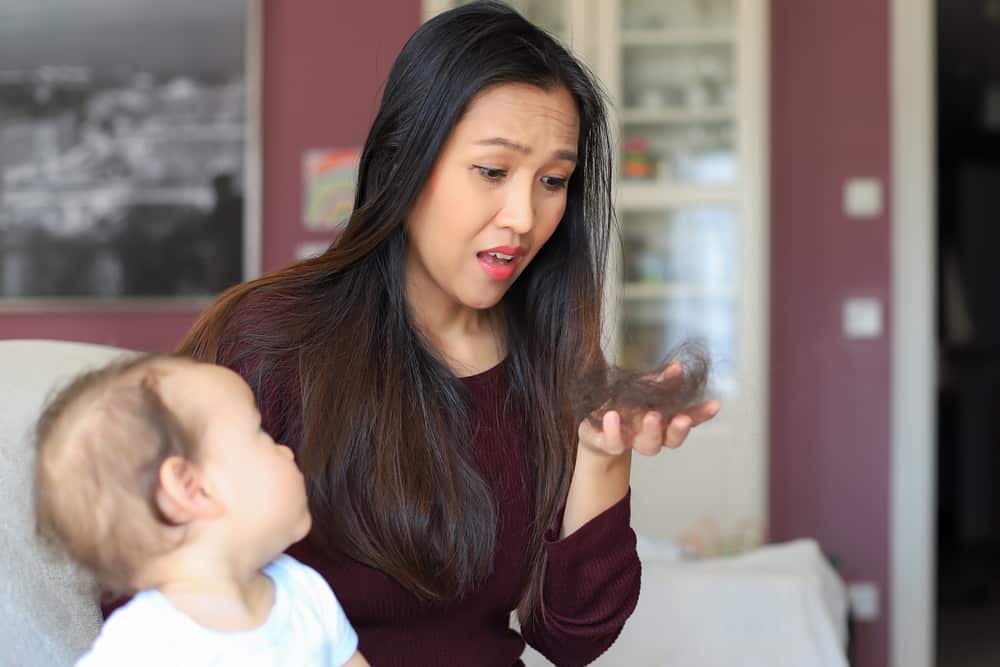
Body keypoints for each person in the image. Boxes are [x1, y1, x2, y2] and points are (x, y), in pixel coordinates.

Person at [178, 2, 720, 665]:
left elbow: (572, 637)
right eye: (492, 171)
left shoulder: (545, 356)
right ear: (405, 160)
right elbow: (148, 580)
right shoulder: (268, 338)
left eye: (553, 181)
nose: (523, 217)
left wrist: (603, 457)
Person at [34, 354, 369, 667]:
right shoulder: (140, 648)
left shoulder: (303, 594)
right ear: (193, 488)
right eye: (259, 432)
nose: (286, 451)